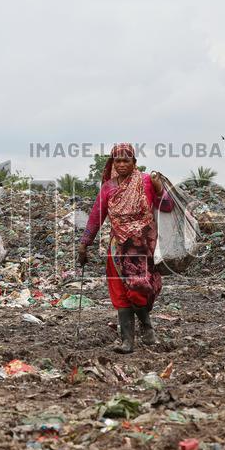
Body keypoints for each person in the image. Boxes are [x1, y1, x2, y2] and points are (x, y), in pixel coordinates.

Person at [77, 143, 173, 353]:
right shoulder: (108, 188)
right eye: (117, 161)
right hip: (118, 248)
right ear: (112, 163)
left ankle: (147, 326)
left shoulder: (147, 181)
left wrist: (159, 189)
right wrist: (84, 244)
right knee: (120, 292)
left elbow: (167, 206)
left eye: (126, 160)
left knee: (139, 289)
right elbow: (96, 217)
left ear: (134, 162)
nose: (121, 164)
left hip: (143, 247)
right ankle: (127, 341)